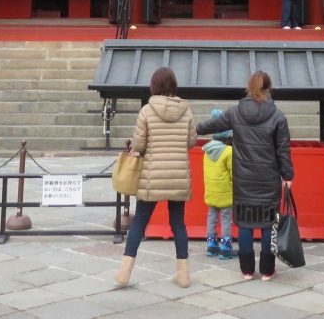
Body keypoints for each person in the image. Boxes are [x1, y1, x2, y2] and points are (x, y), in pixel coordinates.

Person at [197, 71, 293, 280]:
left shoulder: (235, 112)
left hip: (243, 181)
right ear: (268, 88)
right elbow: (283, 150)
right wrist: (287, 175)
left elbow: (211, 126)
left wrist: (192, 128)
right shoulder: (278, 116)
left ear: (249, 88)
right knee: (268, 223)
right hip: (268, 179)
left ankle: (247, 270)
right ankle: (267, 270)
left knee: (245, 223)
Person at [113, 67, 197, 289]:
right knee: (178, 223)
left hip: (152, 174)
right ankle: (183, 275)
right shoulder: (186, 111)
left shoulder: (147, 111)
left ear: (154, 86)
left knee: (140, 221)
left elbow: (139, 145)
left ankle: (124, 271)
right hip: (178, 174)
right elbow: (191, 142)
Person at [202, 108, 236, 259]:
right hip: (226, 191)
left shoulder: (207, 151)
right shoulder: (229, 151)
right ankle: (226, 247)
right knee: (226, 218)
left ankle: (211, 245)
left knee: (212, 216)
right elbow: (233, 174)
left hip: (211, 190)